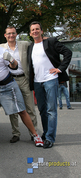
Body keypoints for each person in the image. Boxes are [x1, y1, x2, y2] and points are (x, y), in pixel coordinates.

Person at [27, 21, 72, 149]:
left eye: (37, 29)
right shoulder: (30, 47)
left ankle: (50, 138)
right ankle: (46, 134)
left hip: (50, 79)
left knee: (51, 110)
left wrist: (60, 68)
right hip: (37, 81)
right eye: (33, 30)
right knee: (42, 110)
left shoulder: (50, 42)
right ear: (30, 33)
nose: (35, 31)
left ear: (41, 31)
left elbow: (68, 53)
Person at [0, 27, 38, 143]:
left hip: (23, 79)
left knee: (30, 108)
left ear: (16, 34)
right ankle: (16, 133)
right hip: (10, 80)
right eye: (9, 33)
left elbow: (38, 43)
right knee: (13, 109)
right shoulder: (0, 47)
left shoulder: (25, 44)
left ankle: (33, 133)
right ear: (5, 35)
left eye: (13, 33)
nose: (11, 35)